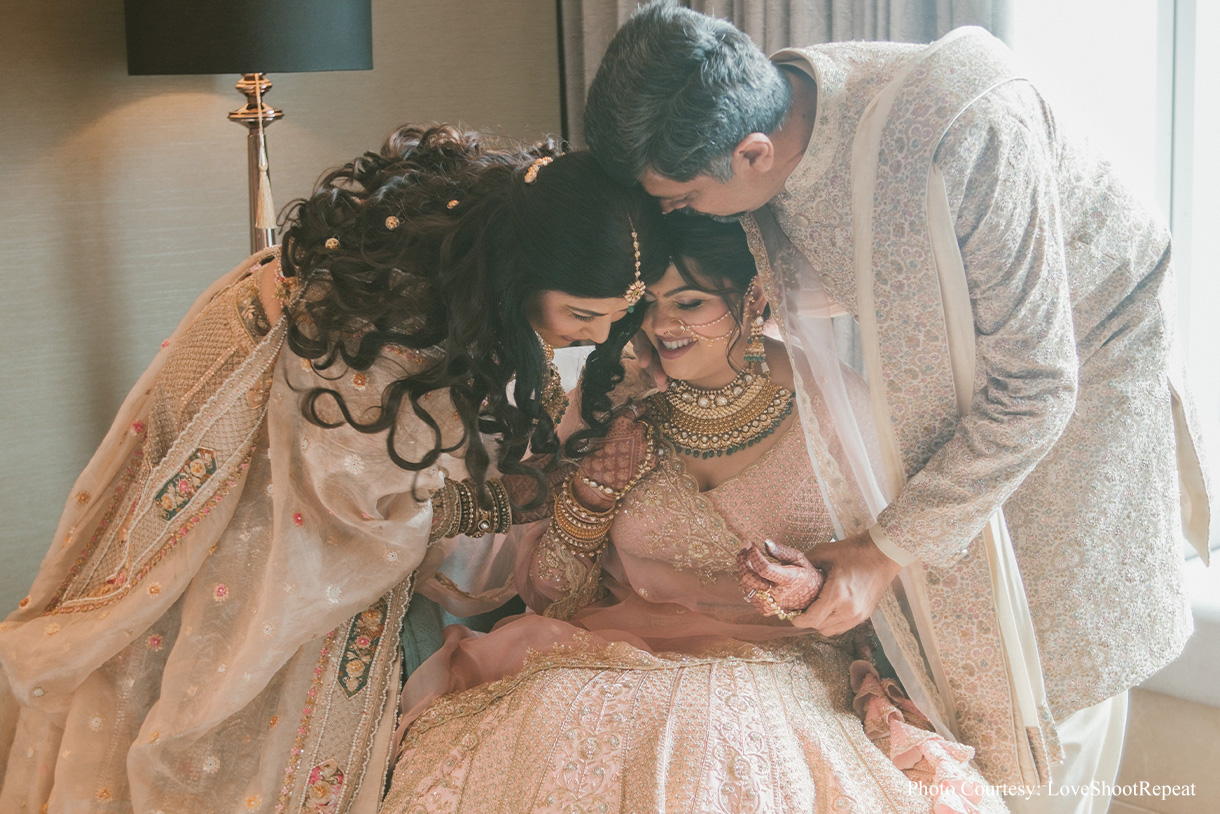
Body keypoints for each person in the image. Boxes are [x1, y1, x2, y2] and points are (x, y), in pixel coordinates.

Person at [581, 3, 1212, 812]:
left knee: (1046, 684)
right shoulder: (770, 114)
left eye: (684, 197)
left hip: (1075, 399)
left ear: (753, 153)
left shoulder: (965, 129)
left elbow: (1036, 388)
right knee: (945, 687)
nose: (681, 213)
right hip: (960, 404)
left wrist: (881, 550)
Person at [0, 125, 668, 813]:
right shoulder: (389, 321)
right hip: (262, 477)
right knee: (218, 703)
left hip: (302, 448)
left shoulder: (475, 256)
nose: (594, 335)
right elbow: (359, 511)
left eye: (613, 317)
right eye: (583, 314)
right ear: (524, 270)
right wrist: (504, 500)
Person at [380, 216, 1009, 814]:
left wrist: (809, 587)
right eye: (647, 304)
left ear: (754, 297)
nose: (662, 325)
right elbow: (553, 597)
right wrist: (594, 492)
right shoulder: (616, 398)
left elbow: (886, 586)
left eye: (689, 302)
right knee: (554, 718)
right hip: (608, 655)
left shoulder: (831, 409)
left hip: (778, 667)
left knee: (712, 731)